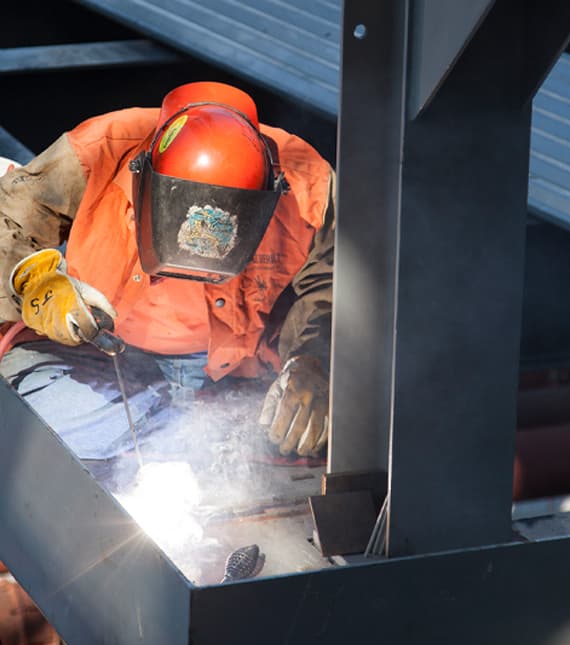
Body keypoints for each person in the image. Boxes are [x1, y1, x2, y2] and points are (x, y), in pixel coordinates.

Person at [0, 81, 334, 458]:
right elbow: (8, 222)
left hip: (228, 369)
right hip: (102, 350)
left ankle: (174, 427)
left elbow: (336, 288)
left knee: (314, 425)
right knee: (31, 425)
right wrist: (36, 282)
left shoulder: (308, 185)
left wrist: (313, 358)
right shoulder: (101, 150)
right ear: (144, 177)